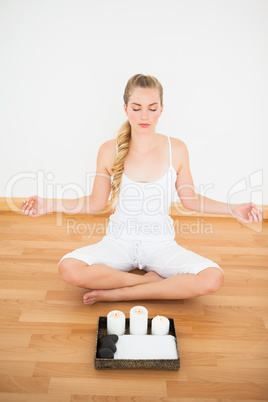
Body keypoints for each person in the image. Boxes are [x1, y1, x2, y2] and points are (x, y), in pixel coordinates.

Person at [21, 73, 263, 305]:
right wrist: (49, 205)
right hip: (118, 243)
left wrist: (235, 208)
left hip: (160, 245)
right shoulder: (109, 149)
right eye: (136, 108)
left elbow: (190, 199)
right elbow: (95, 202)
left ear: (161, 109)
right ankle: (145, 283)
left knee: (213, 277)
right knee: (69, 268)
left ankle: (121, 294)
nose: (144, 116)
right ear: (125, 108)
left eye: (152, 108)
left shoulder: (176, 149)